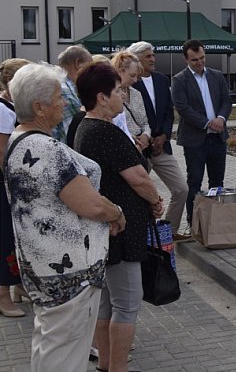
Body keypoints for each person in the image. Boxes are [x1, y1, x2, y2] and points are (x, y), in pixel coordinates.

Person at [5, 63, 126, 372]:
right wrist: (116, 212)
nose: (65, 102)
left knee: (52, 347)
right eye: (59, 97)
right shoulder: (44, 148)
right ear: (39, 107)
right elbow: (91, 206)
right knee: (65, 354)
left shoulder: (19, 140)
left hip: (45, 267)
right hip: (69, 275)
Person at [74, 62, 163, 372]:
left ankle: (108, 364)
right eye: (116, 92)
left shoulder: (85, 127)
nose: (122, 97)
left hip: (105, 230)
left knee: (107, 303)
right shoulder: (106, 131)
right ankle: (118, 368)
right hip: (121, 231)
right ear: (101, 97)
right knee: (127, 303)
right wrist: (155, 200)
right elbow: (138, 177)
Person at [128, 41, 190, 239]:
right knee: (138, 196)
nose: (153, 59)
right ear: (136, 60)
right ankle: (144, 235)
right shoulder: (129, 84)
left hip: (161, 147)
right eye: (148, 56)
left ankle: (168, 232)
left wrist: (163, 136)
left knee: (181, 189)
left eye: (153, 55)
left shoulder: (162, 80)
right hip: (139, 149)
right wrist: (146, 139)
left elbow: (168, 112)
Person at [171, 40, 232, 227]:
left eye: (202, 58)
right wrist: (207, 123)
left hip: (218, 137)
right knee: (194, 182)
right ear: (186, 59)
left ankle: (215, 221)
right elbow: (183, 108)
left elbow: (226, 101)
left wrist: (221, 118)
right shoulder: (179, 80)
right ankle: (193, 222)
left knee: (217, 182)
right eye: (195, 60)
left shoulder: (216, 76)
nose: (200, 63)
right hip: (195, 139)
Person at [0, 58, 29, 317]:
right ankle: (2, 296)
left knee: (15, 237)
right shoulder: (2, 109)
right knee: (5, 239)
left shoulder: (10, 106)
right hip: (4, 183)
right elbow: (2, 151)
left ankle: (19, 285)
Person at [52, 45, 92, 142]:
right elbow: (77, 131)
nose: (90, 72)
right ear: (78, 63)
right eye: (89, 66)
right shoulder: (66, 90)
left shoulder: (57, 82)